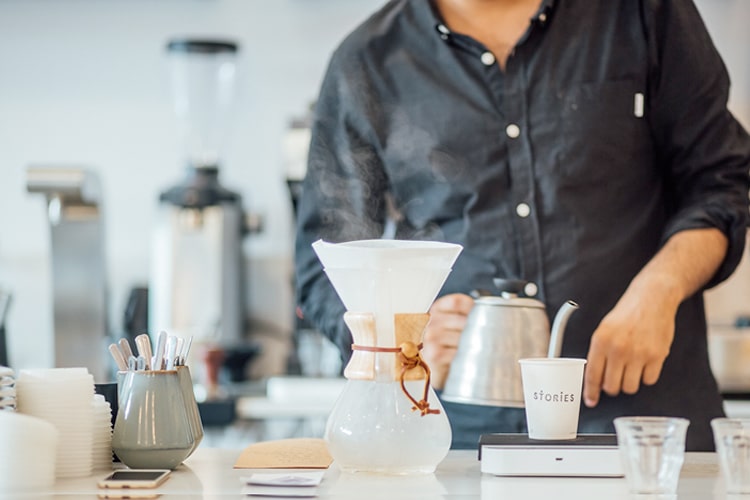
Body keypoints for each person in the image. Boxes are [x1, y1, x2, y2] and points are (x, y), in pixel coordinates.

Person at [294, 0, 750, 451]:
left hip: (647, 427)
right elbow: (327, 261)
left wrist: (660, 289)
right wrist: (396, 339)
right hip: (458, 439)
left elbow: (722, 183)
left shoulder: (644, 14)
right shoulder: (368, 61)